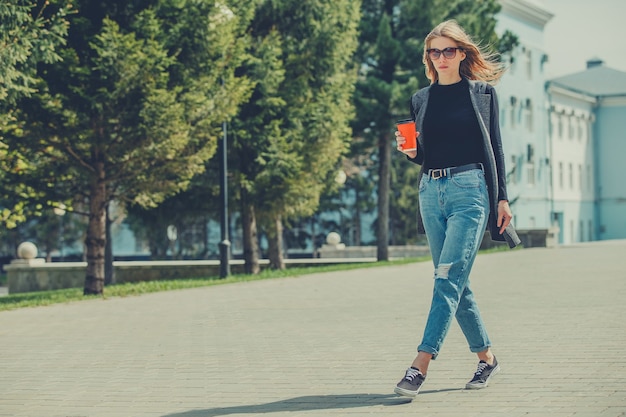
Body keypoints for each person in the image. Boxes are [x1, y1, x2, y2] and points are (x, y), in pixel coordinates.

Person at [393, 20, 520, 398]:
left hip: (470, 190)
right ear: (428, 57)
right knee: (454, 281)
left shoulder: (482, 93)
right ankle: (488, 358)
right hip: (431, 189)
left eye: (450, 50)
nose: (443, 57)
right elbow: (421, 155)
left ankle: (420, 364)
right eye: (436, 51)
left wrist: (502, 198)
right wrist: (411, 151)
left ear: (463, 53)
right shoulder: (420, 99)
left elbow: (495, 147)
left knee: (446, 277)